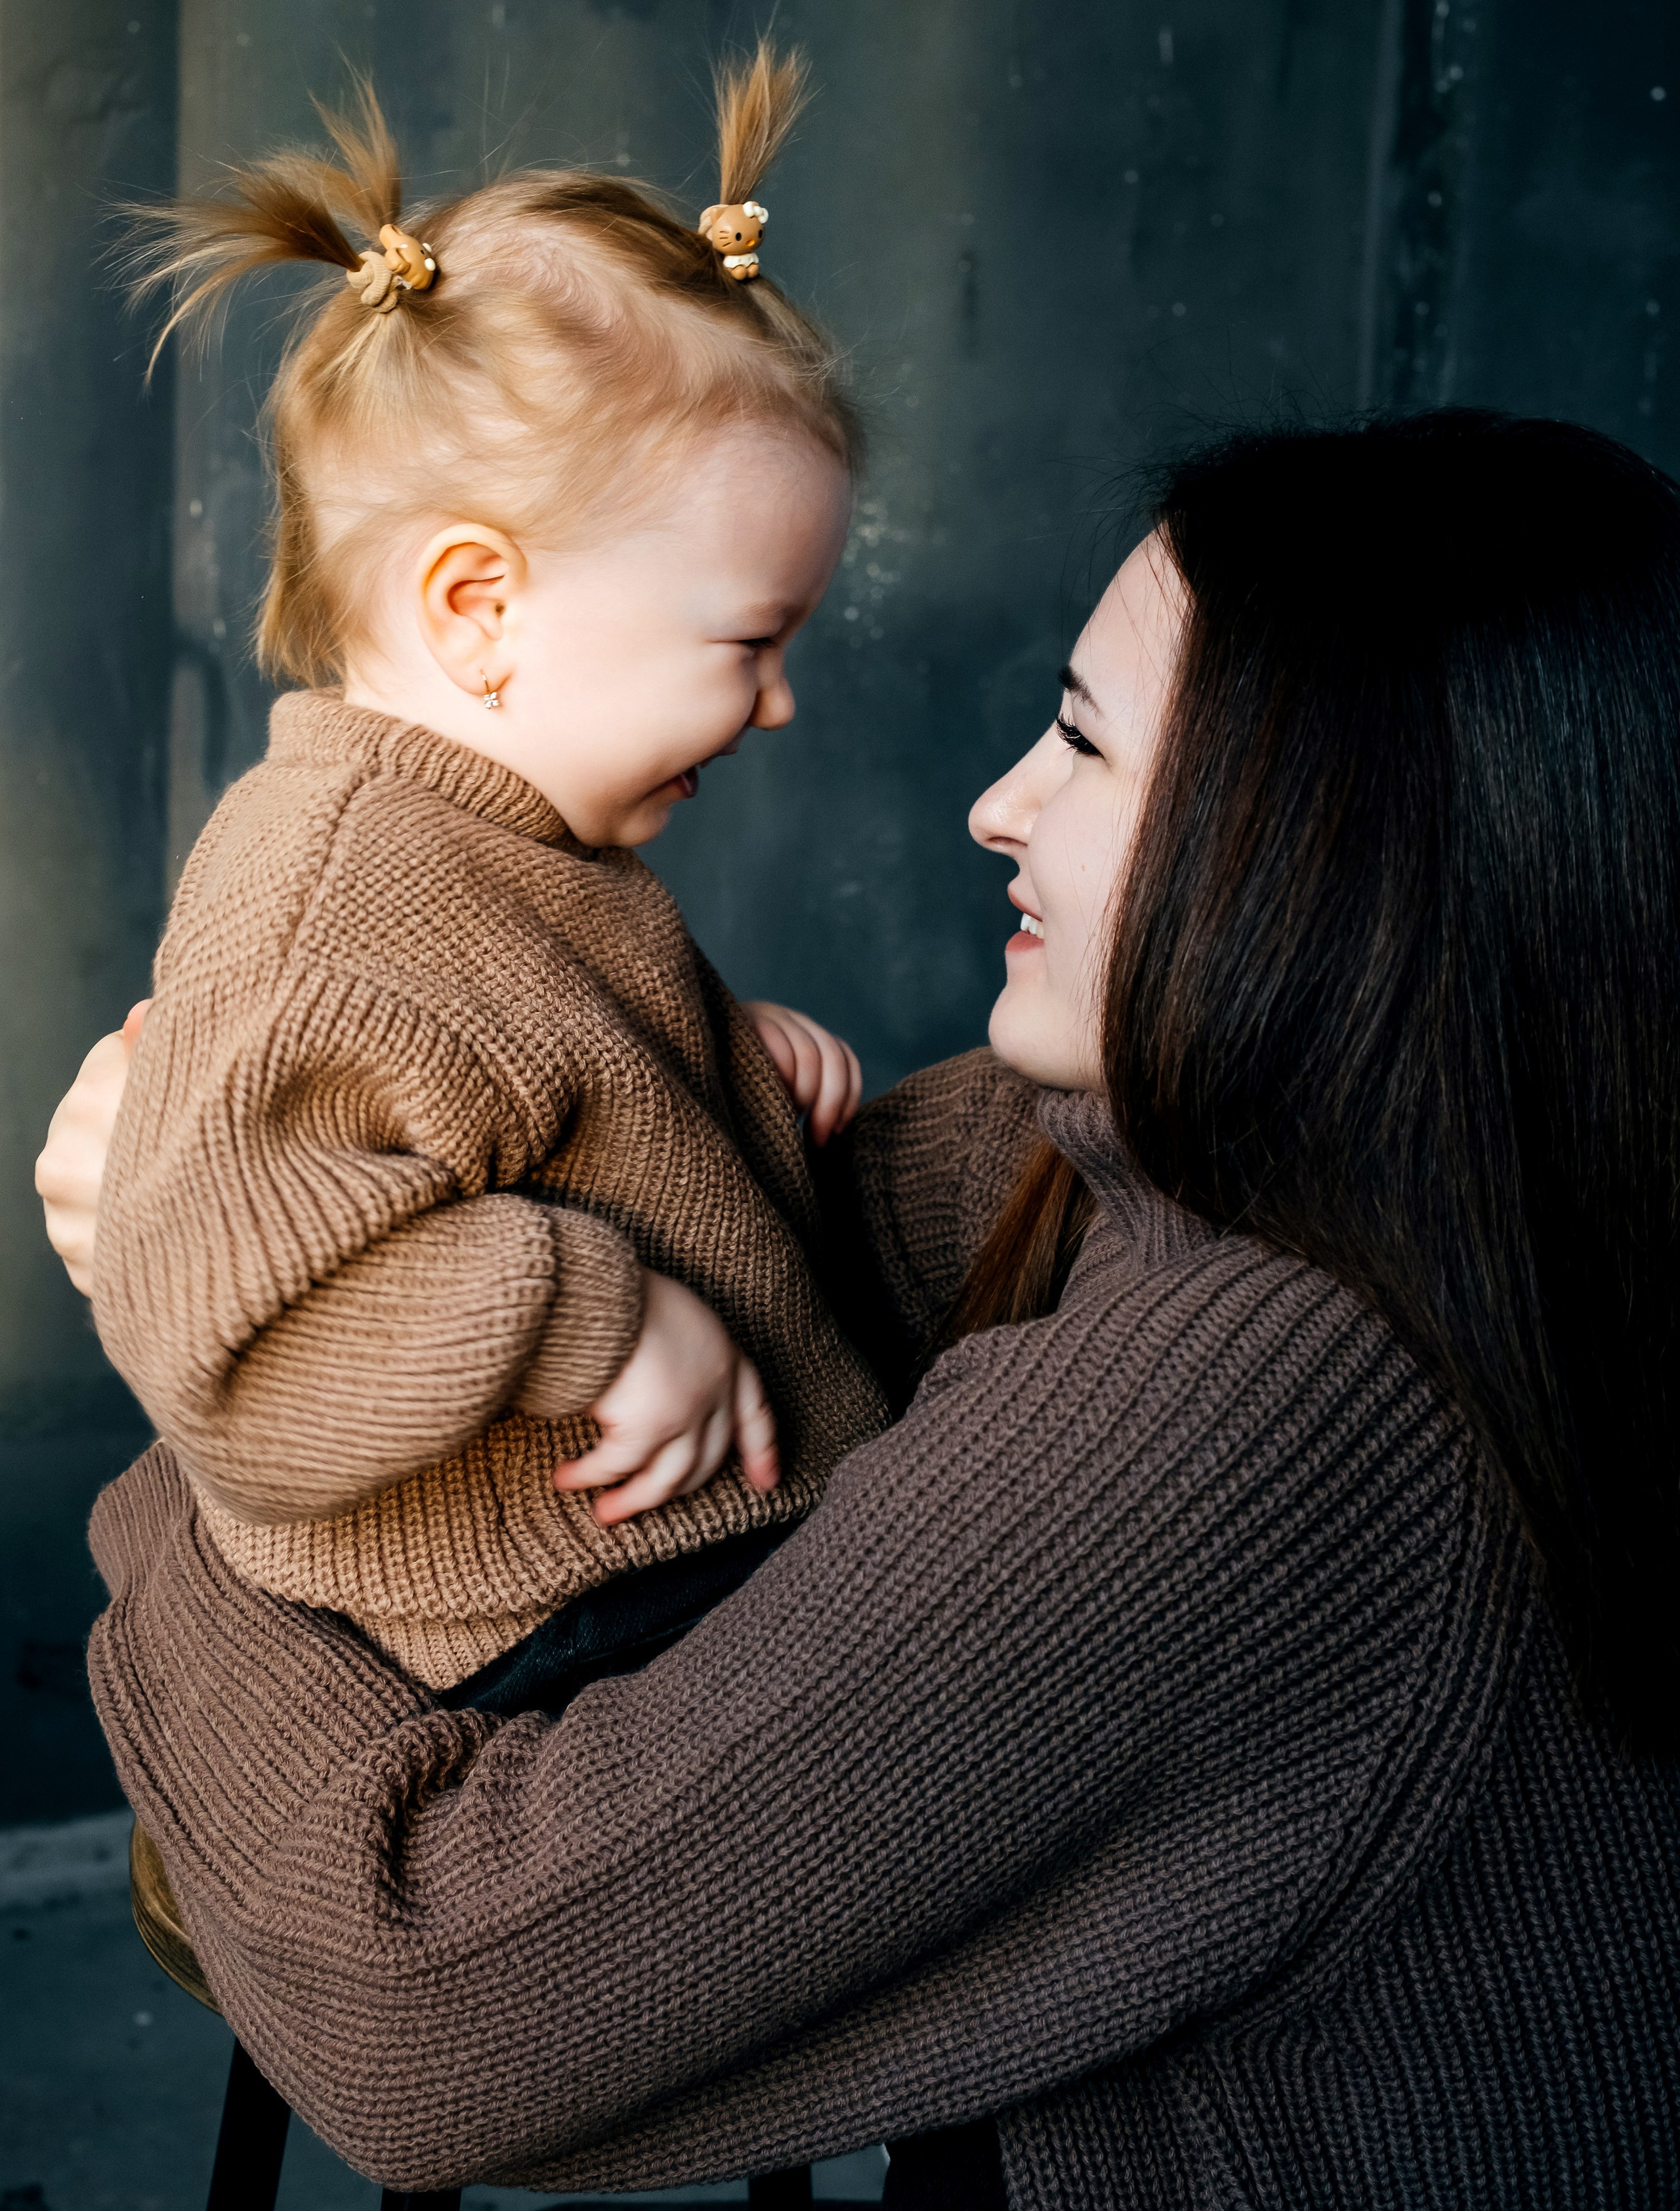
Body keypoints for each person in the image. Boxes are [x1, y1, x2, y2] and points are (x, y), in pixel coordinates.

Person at [41, 411, 1680, 2208]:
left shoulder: (1264, 1404)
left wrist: (214, 1371)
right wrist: (298, 1238)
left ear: (1328, 846)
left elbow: (426, 2016)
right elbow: (763, 1254)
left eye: (1081, 743)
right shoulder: (1326, 1169)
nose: (996, 805)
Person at [88, 45, 890, 1706]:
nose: (777, 703)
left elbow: (520, 1091)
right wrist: (601, 1317)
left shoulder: (503, 839)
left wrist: (715, 1065)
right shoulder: (329, 900)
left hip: (673, 1554)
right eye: (747, 643)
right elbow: (238, 1339)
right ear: (478, 608)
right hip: (575, 1617)